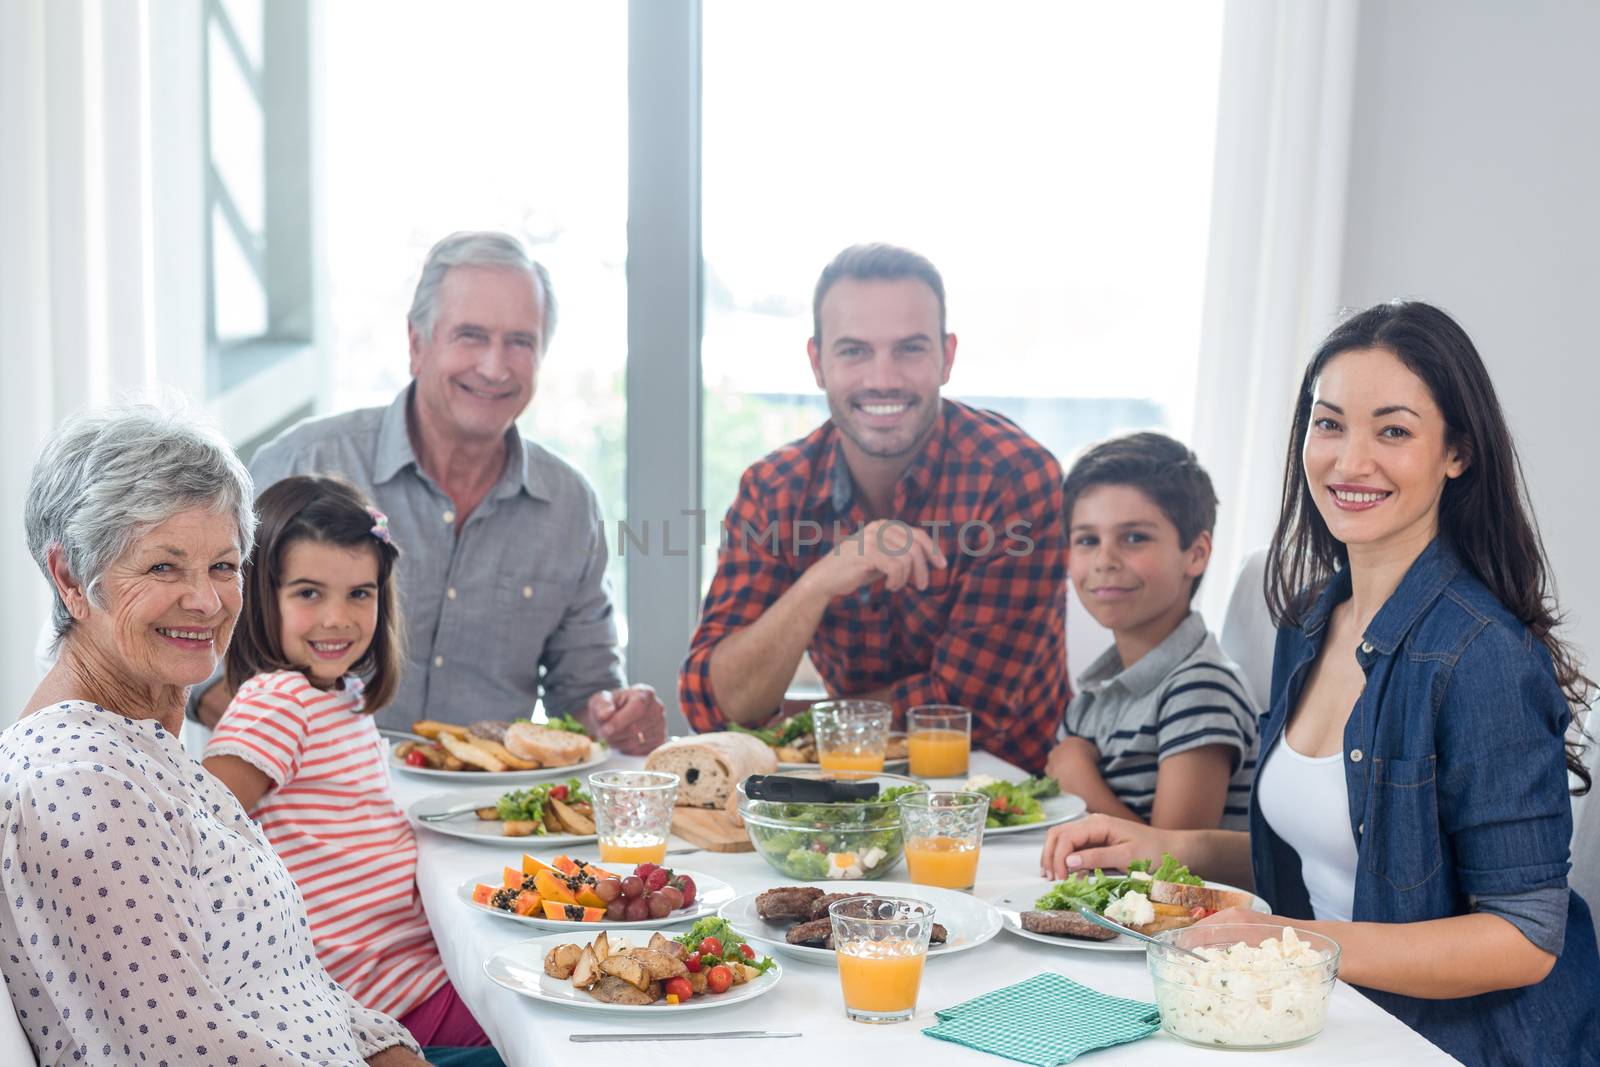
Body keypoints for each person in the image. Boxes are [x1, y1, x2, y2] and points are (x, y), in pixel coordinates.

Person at [1040, 302, 1600, 1065]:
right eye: (1329, 423)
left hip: (1449, 1044)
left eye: (1393, 430)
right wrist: (1162, 845)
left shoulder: (1480, 654)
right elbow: (1336, 854)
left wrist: (1292, 940)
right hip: (1319, 1016)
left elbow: (1525, 938)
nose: (1349, 460)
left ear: (1457, 453)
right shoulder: (1309, 620)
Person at [3, 402, 430, 1066]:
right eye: (163, 568)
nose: (205, 601)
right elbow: (181, 1052)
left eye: (224, 566)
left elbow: (293, 981)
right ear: (68, 578)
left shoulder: (145, 747)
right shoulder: (80, 783)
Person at [194, 231, 664, 754]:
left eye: (520, 342)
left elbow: (582, 692)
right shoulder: (303, 462)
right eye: (470, 336)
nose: (494, 366)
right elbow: (200, 653)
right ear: (417, 345)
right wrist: (294, 753)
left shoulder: (569, 505)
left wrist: (614, 714)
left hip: (481, 817)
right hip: (300, 800)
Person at [680, 243, 1068, 773]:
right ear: (818, 363)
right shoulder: (774, 490)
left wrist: (813, 728)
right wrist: (819, 582)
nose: (882, 378)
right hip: (847, 800)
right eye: (854, 351)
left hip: (1010, 810)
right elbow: (716, 705)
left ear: (947, 357)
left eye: (909, 349)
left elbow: (968, 711)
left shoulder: (1015, 478)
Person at [201, 476, 500, 1060]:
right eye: (309, 593)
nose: (337, 618)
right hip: (373, 1001)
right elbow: (201, 840)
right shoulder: (278, 701)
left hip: (404, 976)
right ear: (263, 595)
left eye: (360, 594)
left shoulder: (340, 698)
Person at [1047, 432, 1259, 829]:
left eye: (1134, 538)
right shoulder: (1096, 694)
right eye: (1087, 540)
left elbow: (1177, 869)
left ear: (1195, 554)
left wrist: (1080, 785)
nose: (1104, 560)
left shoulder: (1201, 690)